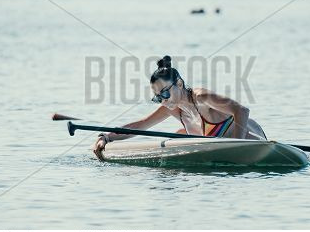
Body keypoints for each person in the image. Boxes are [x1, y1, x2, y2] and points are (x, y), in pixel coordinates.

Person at [93, 55, 266, 159]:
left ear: (180, 84)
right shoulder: (172, 108)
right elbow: (140, 126)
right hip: (221, 147)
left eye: (165, 93)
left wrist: (234, 148)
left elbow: (242, 111)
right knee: (178, 135)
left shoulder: (201, 97)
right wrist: (106, 137)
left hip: (253, 138)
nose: (163, 100)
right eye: (158, 97)